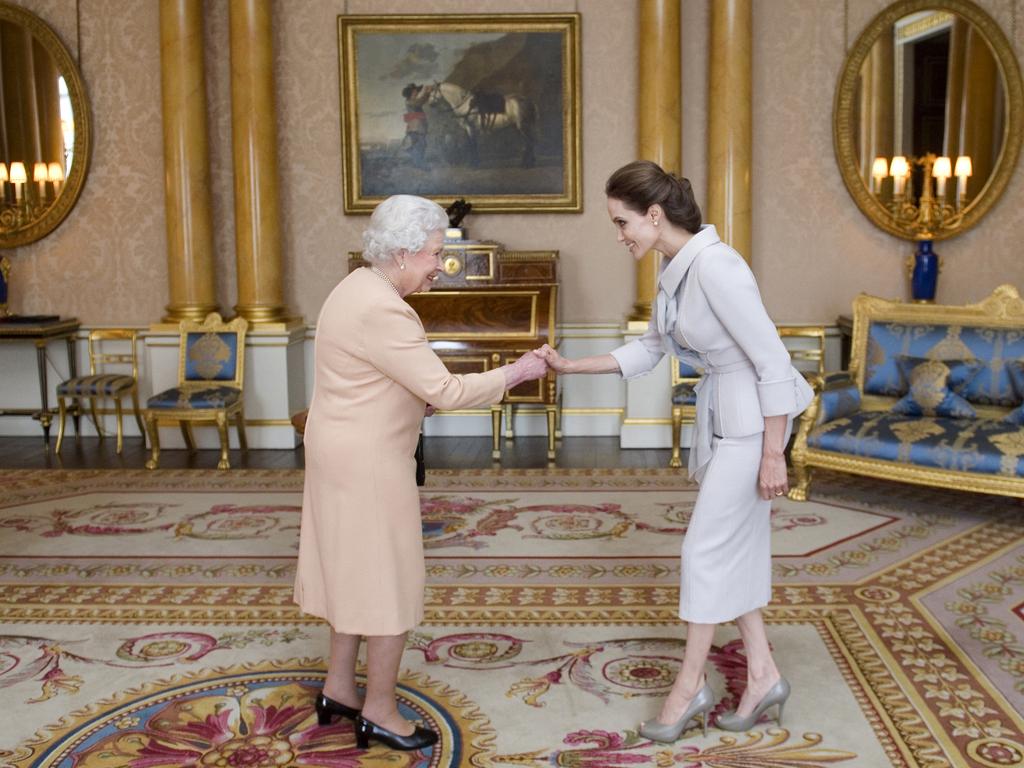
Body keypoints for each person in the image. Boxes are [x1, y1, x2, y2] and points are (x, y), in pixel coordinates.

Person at [536, 160, 813, 742]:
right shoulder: (676, 269)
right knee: (728, 550)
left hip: (750, 430)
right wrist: (569, 364)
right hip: (724, 424)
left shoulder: (717, 267)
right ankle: (762, 674)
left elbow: (773, 362)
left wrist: (772, 453)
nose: (619, 236)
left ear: (654, 215)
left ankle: (688, 689)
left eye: (622, 223)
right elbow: (650, 349)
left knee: (702, 554)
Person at [294, 194, 548, 751]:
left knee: (353, 572)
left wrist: (416, 402)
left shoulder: (354, 288)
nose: (439, 264)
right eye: (435, 253)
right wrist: (517, 371)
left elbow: (373, 378)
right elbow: (448, 390)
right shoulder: (385, 307)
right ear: (406, 252)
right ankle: (381, 711)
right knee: (388, 582)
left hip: (339, 451)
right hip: (368, 463)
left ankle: (340, 689)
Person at [401, 83, 431, 169]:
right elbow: (419, 103)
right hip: (416, 127)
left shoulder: (412, 101)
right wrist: (427, 92)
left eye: (416, 91)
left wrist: (425, 91)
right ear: (410, 93)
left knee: (421, 145)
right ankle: (420, 164)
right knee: (421, 145)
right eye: (414, 91)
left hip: (418, 126)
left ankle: (417, 160)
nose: (416, 93)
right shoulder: (410, 101)